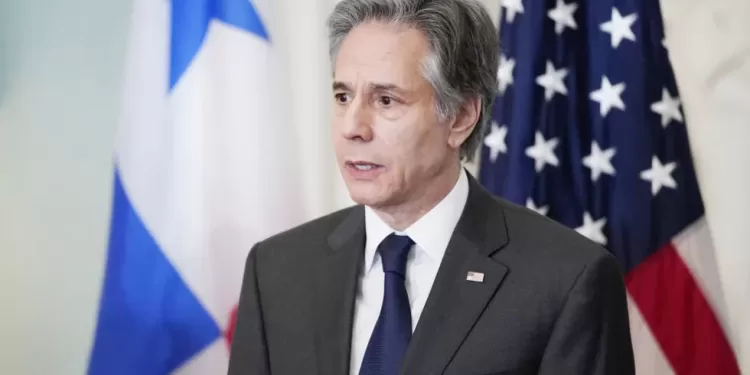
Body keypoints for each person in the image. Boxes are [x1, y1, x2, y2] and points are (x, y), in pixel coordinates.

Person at [228, 0, 635, 374]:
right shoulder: (276, 271)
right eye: (342, 95)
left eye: (386, 100)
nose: (352, 127)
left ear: (460, 116)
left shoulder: (567, 281)